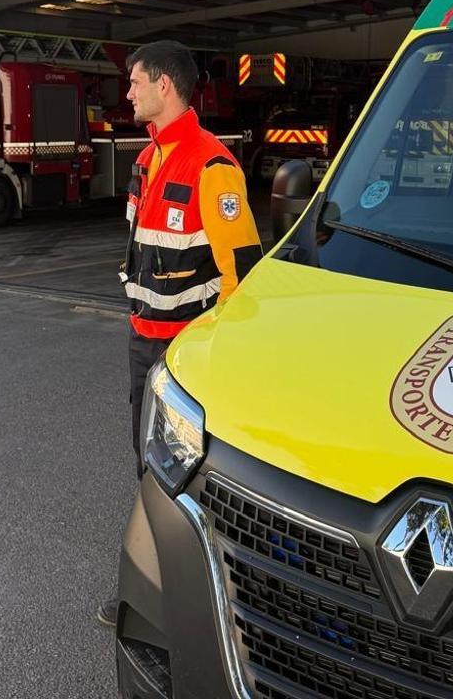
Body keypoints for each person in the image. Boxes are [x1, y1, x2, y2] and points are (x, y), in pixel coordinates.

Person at [96, 40, 262, 628]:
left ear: (164, 85)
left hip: (185, 355)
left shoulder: (212, 165)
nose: (130, 92)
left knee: (183, 476)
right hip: (143, 341)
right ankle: (160, 585)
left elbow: (241, 273)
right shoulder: (147, 161)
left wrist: (218, 359)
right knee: (147, 465)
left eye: (136, 82)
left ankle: (192, 602)